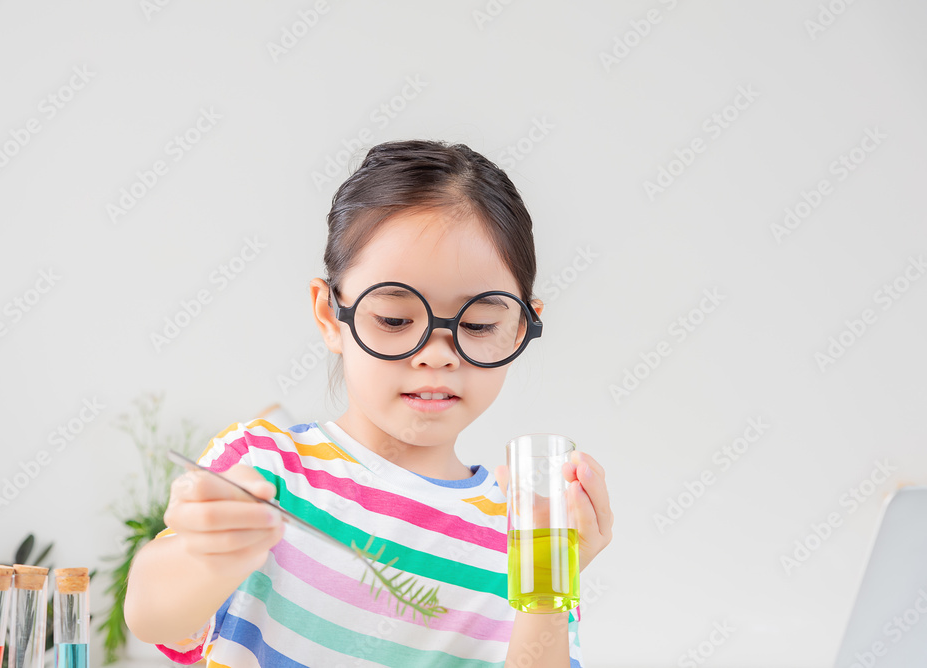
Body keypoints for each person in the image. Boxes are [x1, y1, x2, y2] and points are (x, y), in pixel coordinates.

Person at [123, 139, 613, 667]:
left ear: (520, 326)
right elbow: (154, 618)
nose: (436, 355)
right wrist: (205, 553)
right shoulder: (264, 469)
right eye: (396, 320)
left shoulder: (523, 537)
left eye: (477, 325)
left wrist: (546, 586)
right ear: (331, 315)